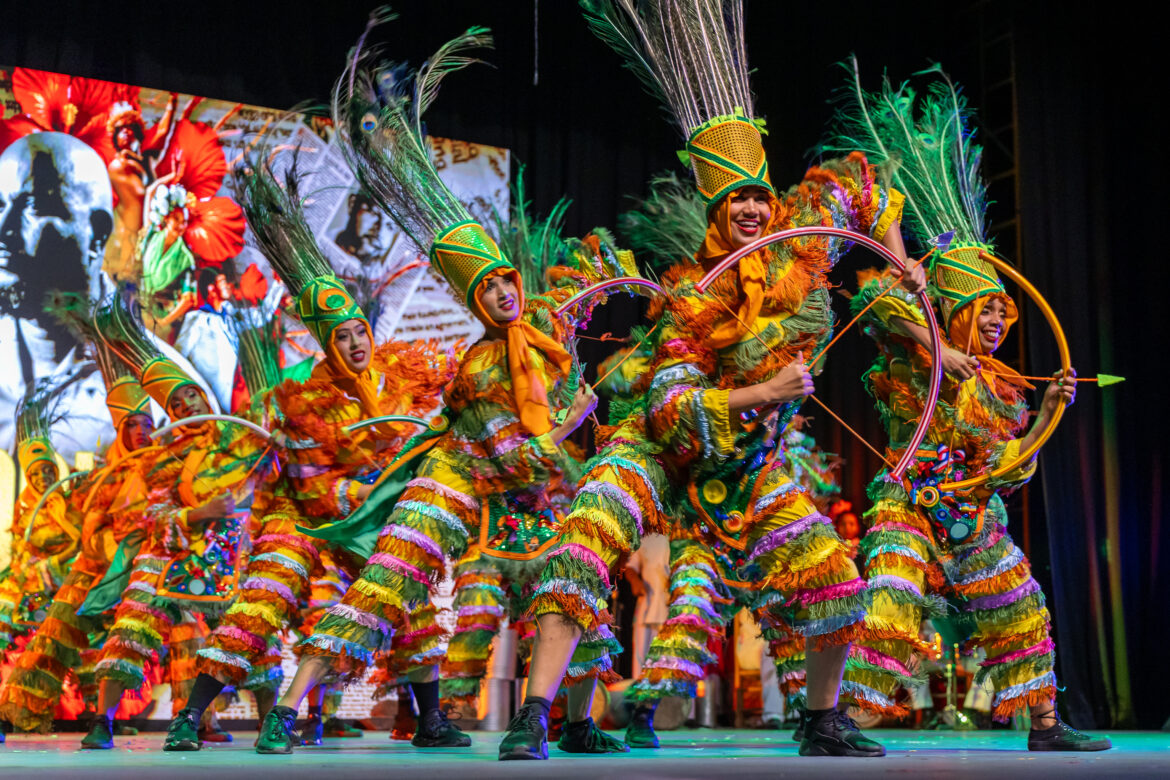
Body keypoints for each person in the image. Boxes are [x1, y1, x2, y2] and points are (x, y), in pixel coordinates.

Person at [502, 0, 924, 761]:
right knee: (581, 548)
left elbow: (868, 185)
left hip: (751, 461)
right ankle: (535, 718)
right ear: (716, 215)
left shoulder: (807, 240)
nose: (753, 209)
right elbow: (669, 408)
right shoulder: (691, 298)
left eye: (759, 196)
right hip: (658, 452)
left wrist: (900, 258)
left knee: (835, 580)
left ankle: (822, 722)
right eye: (737, 202)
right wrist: (764, 394)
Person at [247, 19, 641, 755]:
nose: (503, 295)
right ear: (474, 304)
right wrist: (575, 420)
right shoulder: (484, 365)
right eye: (487, 290)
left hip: (530, 501)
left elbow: (559, 409)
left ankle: (578, 721)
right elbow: (518, 454)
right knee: (385, 587)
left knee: (580, 583)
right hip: (454, 485)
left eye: (505, 282)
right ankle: (287, 710)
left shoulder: (544, 346)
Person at [823, 60, 1110, 751]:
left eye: (1002, 315)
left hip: (973, 512)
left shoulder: (1003, 385)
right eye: (985, 312)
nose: (996, 324)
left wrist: (1047, 415)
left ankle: (1046, 726)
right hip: (910, 503)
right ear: (954, 312)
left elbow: (1007, 465)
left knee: (1020, 607)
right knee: (891, 602)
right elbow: (876, 302)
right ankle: (844, 724)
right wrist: (938, 346)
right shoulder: (913, 350)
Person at [157, 147, 454, 752]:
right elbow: (315, 487)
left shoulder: (397, 382)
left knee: (411, 592)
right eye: (342, 337)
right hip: (302, 518)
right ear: (326, 344)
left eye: (360, 332)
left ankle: (428, 720)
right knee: (262, 602)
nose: (356, 343)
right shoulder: (304, 400)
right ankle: (190, 717)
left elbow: (419, 443)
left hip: (367, 519)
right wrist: (371, 493)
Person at [78, 294, 273, 749]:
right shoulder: (161, 458)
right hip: (170, 553)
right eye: (178, 404)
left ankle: (267, 722)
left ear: (204, 395)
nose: (187, 406)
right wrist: (197, 514)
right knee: (133, 626)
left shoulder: (243, 438)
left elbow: (268, 483)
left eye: (191, 396)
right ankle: (103, 722)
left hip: (231, 553)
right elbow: (148, 515)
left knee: (253, 630)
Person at [0, 297, 157, 734]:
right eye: (132, 425)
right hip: (90, 570)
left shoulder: (163, 465)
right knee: (59, 636)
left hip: (146, 568)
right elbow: (87, 529)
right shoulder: (102, 477)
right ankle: (23, 709)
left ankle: (193, 717)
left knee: (183, 635)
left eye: (146, 423)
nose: (141, 432)